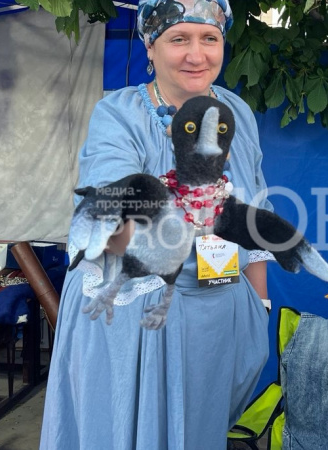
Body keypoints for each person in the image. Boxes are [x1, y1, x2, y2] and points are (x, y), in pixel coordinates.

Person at [40, 0, 274, 447]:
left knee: (197, 432)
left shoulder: (237, 113)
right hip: (135, 318)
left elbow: (254, 204)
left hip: (215, 312)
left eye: (209, 38)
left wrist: (258, 304)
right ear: (150, 46)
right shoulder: (120, 114)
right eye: (178, 39)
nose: (196, 55)